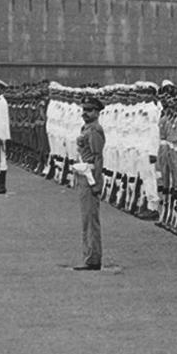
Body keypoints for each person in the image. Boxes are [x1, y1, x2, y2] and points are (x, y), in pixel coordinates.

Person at [74, 96, 106, 270]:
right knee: (86, 218)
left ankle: (93, 258)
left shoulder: (94, 130)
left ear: (97, 112)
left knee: (90, 219)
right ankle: (88, 255)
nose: (85, 113)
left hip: (90, 175)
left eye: (89, 110)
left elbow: (97, 157)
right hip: (83, 174)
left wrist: (97, 183)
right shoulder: (86, 127)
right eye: (84, 110)